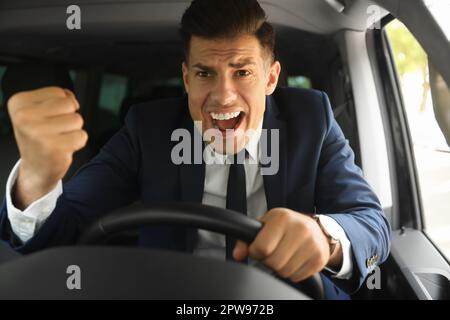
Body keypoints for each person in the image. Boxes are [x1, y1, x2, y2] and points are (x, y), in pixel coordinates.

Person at [0, 0, 390, 299]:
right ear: (187, 77)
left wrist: (325, 237)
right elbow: (60, 236)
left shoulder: (312, 118)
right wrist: (38, 176)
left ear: (270, 78)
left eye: (242, 71)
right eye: (205, 73)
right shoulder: (147, 129)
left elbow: (372, 225)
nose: (222, 95)